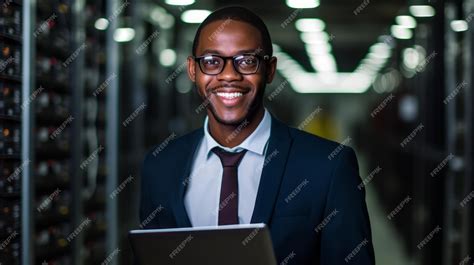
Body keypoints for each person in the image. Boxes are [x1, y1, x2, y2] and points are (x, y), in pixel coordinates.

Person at [140, 6, 375, 264]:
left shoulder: (329, 166)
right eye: (211, 62)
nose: (229, 75)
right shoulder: (160, 167)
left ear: (270, 70)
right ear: (193, 70)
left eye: (247, 61)